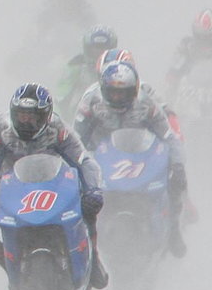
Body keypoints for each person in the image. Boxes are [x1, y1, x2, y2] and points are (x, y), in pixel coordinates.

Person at [0, 83, 108, 288]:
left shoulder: (58, 129)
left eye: (32, 117)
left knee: (88, 207)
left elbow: (84, 161)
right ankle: (5, 261)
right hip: (12, 188)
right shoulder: (0, 130)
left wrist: (93, 190)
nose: (26, 122)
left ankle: (93, 259)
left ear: (46, 116)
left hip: (54, 184)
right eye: (21, 115)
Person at [74, 62, 188, 257]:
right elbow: (76, 138)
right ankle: (83, 239)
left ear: (133, 91)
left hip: (140, 155)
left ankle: (173, 230)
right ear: (104, 90)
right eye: (113, 93)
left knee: (177, 182)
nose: (117, 98)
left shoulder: (147, 105)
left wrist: (177, 165)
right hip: (104, 157)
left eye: (123, 93)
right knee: (79, 190)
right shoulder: (91, 103)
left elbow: (169, 137)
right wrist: (80, 163)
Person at [55, 25, 118, 115]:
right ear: (87, 48)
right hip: (80, 115)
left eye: (103, 48)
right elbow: (61, 96)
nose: (99, 52)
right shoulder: (75, 65)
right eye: (95, 48)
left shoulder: (120, 66)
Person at [165, 10, 212, 104]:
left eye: (205, 37)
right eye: (199, 35)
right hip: (190, 94)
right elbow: (173, 71)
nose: (202, 40)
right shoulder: (187, 46)